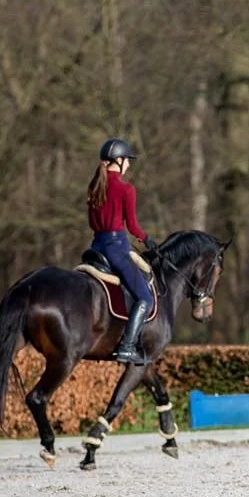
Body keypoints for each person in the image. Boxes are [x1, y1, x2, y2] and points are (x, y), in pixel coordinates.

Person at [87, 137, 158, 364]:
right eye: (127, 160)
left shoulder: (95, 185)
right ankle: (127, 347)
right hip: (116, 248)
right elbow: (133, 226)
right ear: (118, 160)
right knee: (145, 298)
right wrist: (147, 240)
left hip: (95, 246)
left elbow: (92, 222)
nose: (129, 164)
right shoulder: (126, 188)